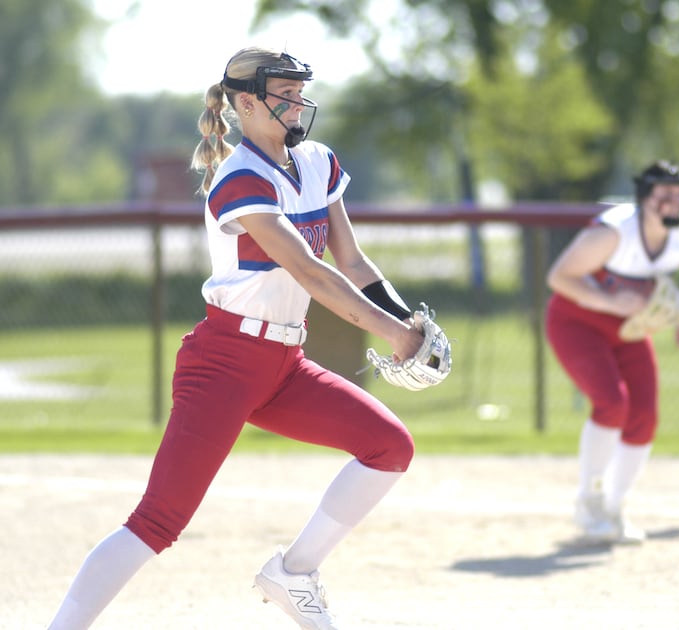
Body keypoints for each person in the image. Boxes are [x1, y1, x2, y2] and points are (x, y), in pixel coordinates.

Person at [48, 47, 429, 630]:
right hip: (223, 362)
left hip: (285, 362)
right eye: (284, 93)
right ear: (245, 102)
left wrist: (410, 321)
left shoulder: (318, 161)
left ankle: (293, 572)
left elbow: (351, 259)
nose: (298, 102)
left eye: (301, 92)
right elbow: (308, 269)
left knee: (390, 447)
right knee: (157, 523)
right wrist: (389, 332)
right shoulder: (239, 175)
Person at [545, 160, 679, 544]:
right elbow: (558, 277)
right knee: (611, 403)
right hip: (578, 321)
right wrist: (608, 301)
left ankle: (614, 508)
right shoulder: (614, 232)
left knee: (645, 416)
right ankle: (588, 501)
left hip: (631, 328)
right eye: (664, 194)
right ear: (644, 197)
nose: (674, 202)